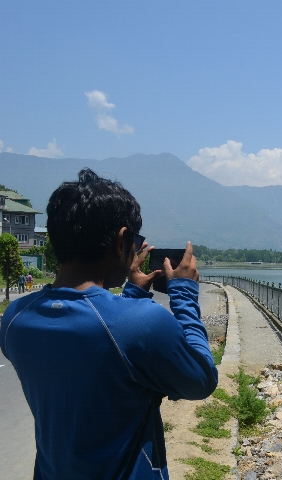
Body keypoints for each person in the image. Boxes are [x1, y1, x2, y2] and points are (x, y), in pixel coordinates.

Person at [0, 169, 218, 479]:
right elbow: (201, 379)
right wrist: (183, 294)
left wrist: (132, 293)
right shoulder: (140, 324)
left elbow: (101, 359)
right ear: (121, 241)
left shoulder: (16, 319)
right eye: (134, 242)